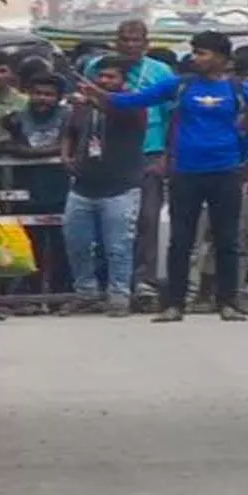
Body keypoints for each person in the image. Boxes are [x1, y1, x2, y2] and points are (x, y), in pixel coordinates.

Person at [94, 30, 248, 323]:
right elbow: (136, 101)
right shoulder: (179, 86)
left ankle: (228, 302)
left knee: (227, 240)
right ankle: (174, 304)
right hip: (186, 172)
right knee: (180, 240)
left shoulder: (240, 90)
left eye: (203, 53)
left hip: (227, 171)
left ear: (222, 58)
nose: (196, 58)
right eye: (195, 52)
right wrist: (103, 97)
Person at [84, 20, 176, 310]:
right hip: (107, 154)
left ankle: (144, 283)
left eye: (137, 40)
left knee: (146, 219)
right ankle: (107, 285)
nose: (131, 45)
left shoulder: (160, 72)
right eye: (125, 39)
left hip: (149, 153)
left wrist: (165, 156)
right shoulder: (97, 67)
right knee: (106, 222)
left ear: (147, 42)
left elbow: (172, 116)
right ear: (116, 40)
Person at [59, 57, 146, 316]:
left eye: (112, 77)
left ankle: (119, 296)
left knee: (118, 246)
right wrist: (66, 155)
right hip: (83, 186)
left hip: (120, 186)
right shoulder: (83, 107)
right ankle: (86, 293)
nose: (105, 81)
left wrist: (94, 98)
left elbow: (118, 112)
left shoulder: (134, 104)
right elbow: (70, 132)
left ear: (123, 81)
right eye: (101, 76)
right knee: (77, 243)